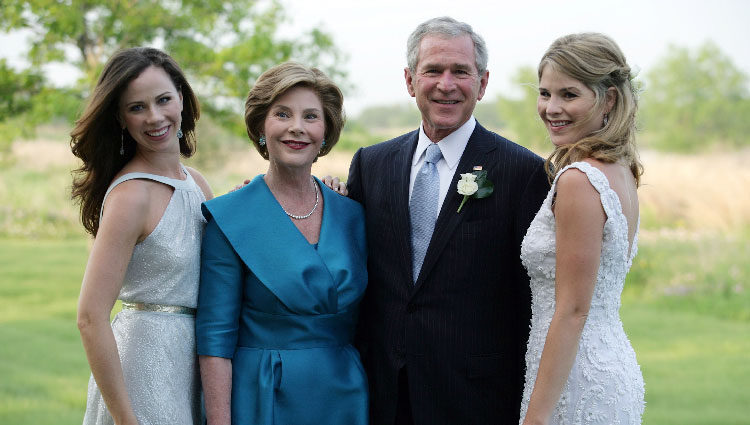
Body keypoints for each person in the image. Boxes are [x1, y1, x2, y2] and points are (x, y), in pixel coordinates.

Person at [346, 17, 549, 424]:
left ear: (483, 82)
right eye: (433, 70)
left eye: (461, 71)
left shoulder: (523, 172)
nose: (447, 84)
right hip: (383, 391)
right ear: (409, 80)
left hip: (475, 395)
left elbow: (534, 298)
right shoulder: (371, 164)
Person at [196, 61, 368, 425]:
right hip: (262, 395)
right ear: (261, 126)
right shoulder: (232, 217)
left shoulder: (352, 213)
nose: (297, 128)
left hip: (345, 396)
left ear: (326, 131)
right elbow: (215, 341)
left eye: (310, 116)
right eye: (282, 114)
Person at [71, 47, 212, 425]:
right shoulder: (132, 195)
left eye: (163, 99)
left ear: (181, 98)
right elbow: (89, 316)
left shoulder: (196, 183)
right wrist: (125, 419)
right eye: (136, 107)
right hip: (143, 368)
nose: (154, 117)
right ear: (120, 118)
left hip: (193, 363)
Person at [518, 33, 645, 424]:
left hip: (574, 379)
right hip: (605, 365)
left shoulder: (579, 179)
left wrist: (536, 417)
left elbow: (573, 309)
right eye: (545, 93)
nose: (551, 108)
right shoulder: (619, 171)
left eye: (568, 95)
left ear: (608, 99)